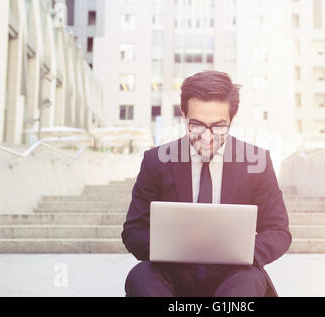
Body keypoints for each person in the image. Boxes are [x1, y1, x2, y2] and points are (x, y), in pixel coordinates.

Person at [122, 70, 292, 297]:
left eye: (219, 126)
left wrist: (238, 253)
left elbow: (278, 231)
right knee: (141, 276)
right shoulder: (156, 162)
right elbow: (133, 230)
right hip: (172, 273)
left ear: (232, 118)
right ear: (184, 114)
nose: (207, 136)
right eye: (197, 125)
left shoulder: (257, 162)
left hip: (233, 275)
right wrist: (171, 249)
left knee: (250, 279)